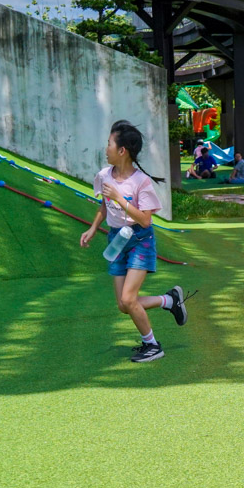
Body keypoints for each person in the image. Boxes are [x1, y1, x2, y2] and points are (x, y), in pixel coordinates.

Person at [80, 120, 188, 363]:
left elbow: (146, 221)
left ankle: (153, 345)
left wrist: (119, 197)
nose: (105, 148)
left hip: (140, 240)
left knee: (129, 299)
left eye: (109, 144)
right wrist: (93, 228)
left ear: (122, 151)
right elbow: (104, 206)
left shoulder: (141, 182)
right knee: (122, 304)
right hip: (116, 240)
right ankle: (169, 300)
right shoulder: (103, 176)